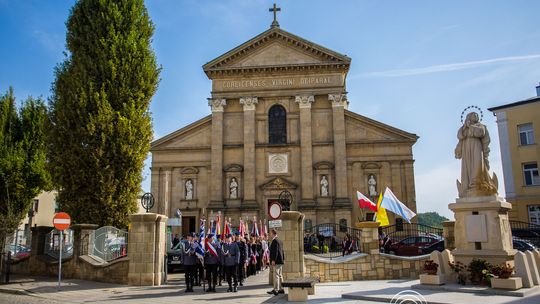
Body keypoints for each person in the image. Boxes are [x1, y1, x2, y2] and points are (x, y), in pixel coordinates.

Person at [267, 229, 285, 296]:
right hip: (280, 260)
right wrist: (283, 259)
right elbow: (282, 251)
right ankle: (281, 289)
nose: (270, 234)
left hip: (276, 261)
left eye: (270, 233)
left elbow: (276, 251)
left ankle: (276, 289)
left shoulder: (275, 241)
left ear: (273, 233)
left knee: (276, 275)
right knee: (280, 275)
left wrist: (273, 260)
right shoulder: (280, 240)